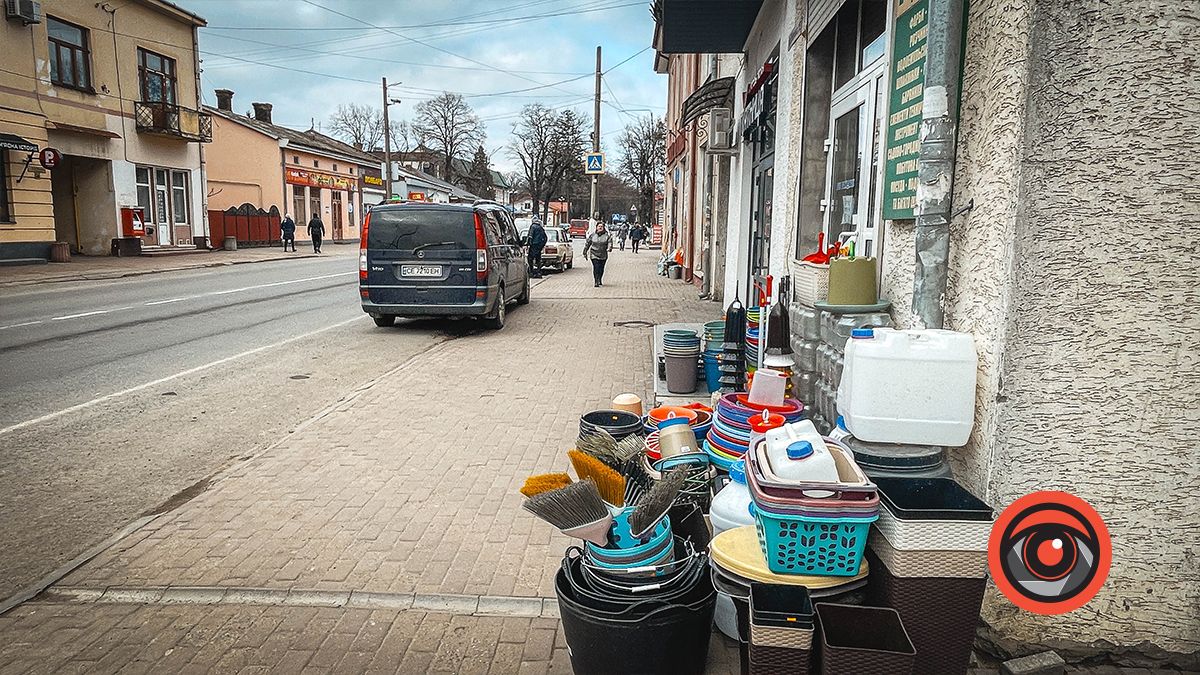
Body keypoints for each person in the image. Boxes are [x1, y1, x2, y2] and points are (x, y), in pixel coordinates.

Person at [582, 221, 614, 287]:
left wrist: (609, 248)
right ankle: (596, 281)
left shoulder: (607, 236)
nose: (600, 228)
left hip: (603, 254)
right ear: (596, 227)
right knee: (596, 267)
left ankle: (600, 279)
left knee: (601, 268)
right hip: (594, 254)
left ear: (603, 228)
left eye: (601, 227)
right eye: (599, 226)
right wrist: (585, 252)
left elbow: (610, 243)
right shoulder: (592, 235)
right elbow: (588, 243)